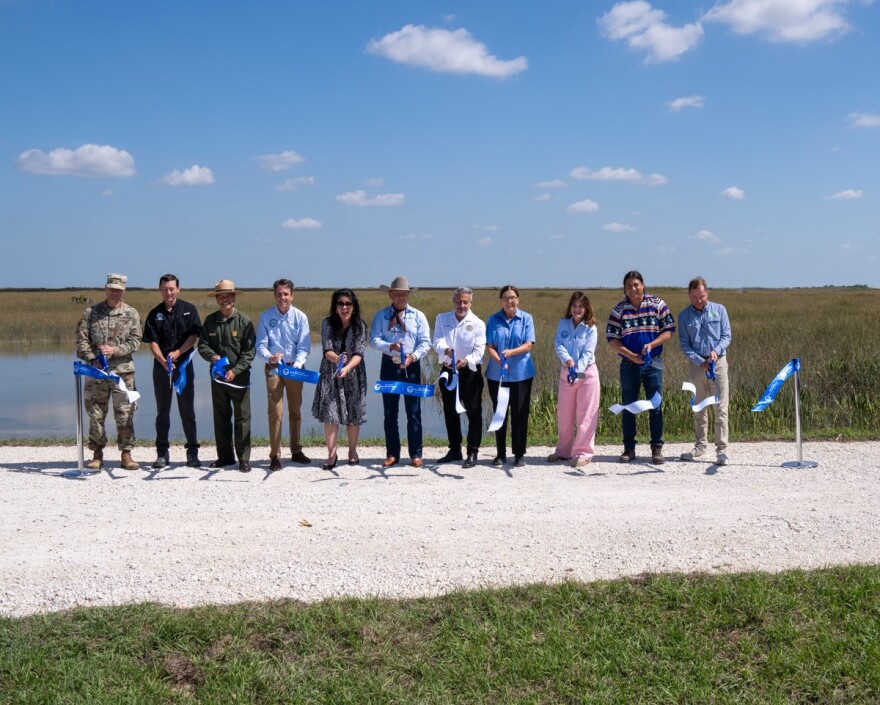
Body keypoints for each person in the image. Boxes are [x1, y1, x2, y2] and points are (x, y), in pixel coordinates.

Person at [606, 271, 676, 465]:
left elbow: (669, 330)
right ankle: (629, 448)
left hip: (653, 363)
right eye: (629, 286)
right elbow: (612, 339)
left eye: (636, 284)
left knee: (656, 405)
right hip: (629, 365)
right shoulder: (619, 310)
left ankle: (656, 448)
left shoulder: (657, 304)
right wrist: (631, 356)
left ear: (643, 285)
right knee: (629, 406)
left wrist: (652, 345)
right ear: (625, 289)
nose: (633, 289)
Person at [75, 273, 142, 470]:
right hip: (96, 373)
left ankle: (126, 454)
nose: (114, 293)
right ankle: (97, 454)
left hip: (122, 373)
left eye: (118, 290)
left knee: (125, 414)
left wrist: (115, 351)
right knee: (95, 414)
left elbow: (136, 341)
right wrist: (92, 359)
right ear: (106, 289)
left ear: (123, 291)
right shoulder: (91, 312)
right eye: (111, 289)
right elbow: (81, 341)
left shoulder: (132, 313)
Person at [369, 275, 431, 468]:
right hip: (389, 365)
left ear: (408, 295)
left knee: (413, 412)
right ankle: (392, 453)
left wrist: (414, 356)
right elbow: (373, 340)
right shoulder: (381, 316)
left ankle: (416, 453)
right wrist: (391, 346)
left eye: (404, 294)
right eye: (397, 294)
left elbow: (425, 342)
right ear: (391, 295)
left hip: (411, 366)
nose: (401, 297)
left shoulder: (418, 316)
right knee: (390, 412)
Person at [143, 274, 202, 469]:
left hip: (183, 367)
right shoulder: (154, 314)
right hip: (162, 368)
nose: (168, 292)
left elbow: (194, 336)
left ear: (178, 289)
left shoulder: (189, 310)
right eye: (165, 289)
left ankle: (192, 452)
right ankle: (162, 453)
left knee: (187, 411)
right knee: (163, 411)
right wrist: (163, 361)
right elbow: (152, 342)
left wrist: (177, 352)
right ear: (160, 290)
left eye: (172, 289)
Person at [197, 279, 256, 473]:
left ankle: (244, 459)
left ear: (234, 297)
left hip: (239, 378)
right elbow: (202, 345)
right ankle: (225, 456)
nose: (225, 300)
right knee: (221, 417)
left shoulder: (244, 321)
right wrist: (211, 356)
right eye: (221, 296)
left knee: (242, 419)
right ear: (217, 299)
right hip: (218, 378)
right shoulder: (210, 321)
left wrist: (236, 370)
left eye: (228, 296)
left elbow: (249, 352)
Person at [256, 278, 312, 471]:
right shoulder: (265, 317)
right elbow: (260, 345)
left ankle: (296, 450)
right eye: (279, 294)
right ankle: (275, 455)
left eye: (286, 294)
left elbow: (304, 347)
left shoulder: (300, 317)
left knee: (295, 411)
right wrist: (270, 357)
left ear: (292, 296)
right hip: (274, 369)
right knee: (276, 412)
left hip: (295, 369)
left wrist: (296, 365)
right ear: (275, 296)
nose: (282, 298)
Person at [311, 289, 368, 469]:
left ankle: (352, 451)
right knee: (331, 414)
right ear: (335, 307)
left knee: (353, 414)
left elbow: (359, 353)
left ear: (353, 306)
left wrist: (347, 366)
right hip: (331, 372)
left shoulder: (360, 325)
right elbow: (327, 349)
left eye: (348, 304)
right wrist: (339, 361)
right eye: (341, 304)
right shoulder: (327, 323)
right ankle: (331, 454)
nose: (344, 307)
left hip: (354, 373)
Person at [678, 276, 732, 466]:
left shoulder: (720, 310)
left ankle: (722, 449)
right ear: (689, 296)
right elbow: (684, 344)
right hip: (697, 365)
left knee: (721, 407)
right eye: (694, 297)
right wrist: (699, 360)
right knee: (699, 406)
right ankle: (700, 446)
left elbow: (726, 335)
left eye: (701, 296)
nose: (698, 301)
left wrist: (715, 352)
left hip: (718, 363)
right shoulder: (684, 316)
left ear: (706, 292)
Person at [432, 287, 486, 468]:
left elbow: (479, 352)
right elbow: (437, 341)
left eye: (465, 302)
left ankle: (472, 451)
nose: (461, 305)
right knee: (450, 410)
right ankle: (455, 449)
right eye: (458, 301)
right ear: (453, 301)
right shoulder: (442, 318)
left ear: (471, 303)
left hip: (469, 371)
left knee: (473, 411)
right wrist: (444, 349)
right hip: (448, 370)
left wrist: (466, 361)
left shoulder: (478, 323)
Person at [485, 284, 536, 468]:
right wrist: (498, 358)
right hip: (496, 375)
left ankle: (519, 454)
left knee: (520, 414)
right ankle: (500, 453)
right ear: (501, 301)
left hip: (521, 375)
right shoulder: (493, 320)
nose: (509, 301)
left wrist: (511, 352)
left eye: (512, 297)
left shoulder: (526, 319)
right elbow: (489, 345)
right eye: (506, 298)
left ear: (518, 300)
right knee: (500, 414)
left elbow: (528, 345)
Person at [549, 291, 600, 468]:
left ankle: (583, 452)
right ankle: (564, 451)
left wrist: (577, 370)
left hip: (586, 374)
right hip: (566, 373)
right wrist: (567, 360)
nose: (577, 309)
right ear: (570, 308)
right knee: (564, 413)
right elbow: (558, 345)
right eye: (574, 306)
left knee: (585, 415)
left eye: (580, 306)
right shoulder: (563, 324)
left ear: (586, 309)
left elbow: (588, 353)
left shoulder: (591, 328)